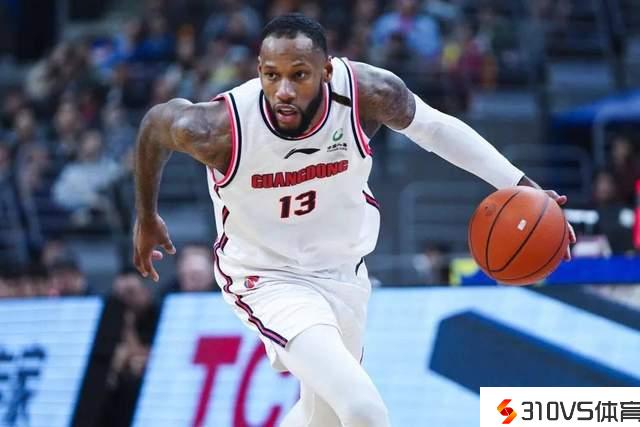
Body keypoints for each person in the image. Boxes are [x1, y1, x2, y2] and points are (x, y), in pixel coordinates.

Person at [132, 14, 576, 427]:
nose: (283, 90)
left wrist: (525, 186)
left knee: (321, 418)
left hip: (344, 271)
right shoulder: (218, 128)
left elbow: (436, 129)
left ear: (326, 71)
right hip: (266, 277)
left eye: (299, 75)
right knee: (363, 409)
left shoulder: (367, 93)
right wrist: (146, 215)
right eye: (271, 75)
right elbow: (154, 126)